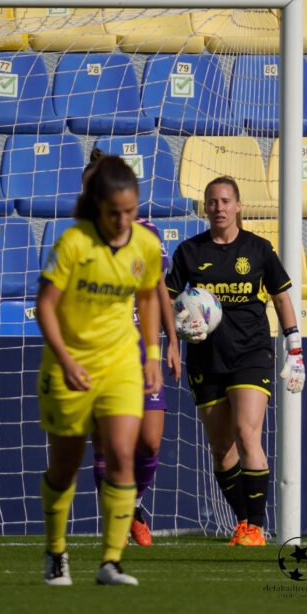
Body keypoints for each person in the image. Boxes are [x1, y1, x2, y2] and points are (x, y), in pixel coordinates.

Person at [36, 154, 163, 586]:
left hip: (122, 365)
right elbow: (45, 307)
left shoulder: (144, 244)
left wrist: (150, 354)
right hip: (71, 366)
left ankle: (111, 561)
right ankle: (56, 553)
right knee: (65, 467)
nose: (124, 220)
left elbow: (148, 297)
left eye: (130, 211)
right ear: (96, 207)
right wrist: (66, 360)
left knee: (123, 455)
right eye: (115, 213)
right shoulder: (74, 244)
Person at [165, 176, 305, 547]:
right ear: (205, 208)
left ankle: (256, 528)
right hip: (206, 358)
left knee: (247, 433)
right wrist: (174, 338)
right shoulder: (188, 253)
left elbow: (281, 298)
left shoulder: (258, 249)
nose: (219, 208)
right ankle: (242, 520)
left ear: (239, 205)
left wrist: (295, 347)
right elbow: (168, 300)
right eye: (212, 202)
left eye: (226, 201)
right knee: (221, 448)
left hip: (251, 354)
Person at [91, 214, 181, 547]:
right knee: (106, 442)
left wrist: (172, 339)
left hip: (144, 349)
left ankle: (135, 505)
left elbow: (158, 286)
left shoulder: (147, 231)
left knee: (150, 441)